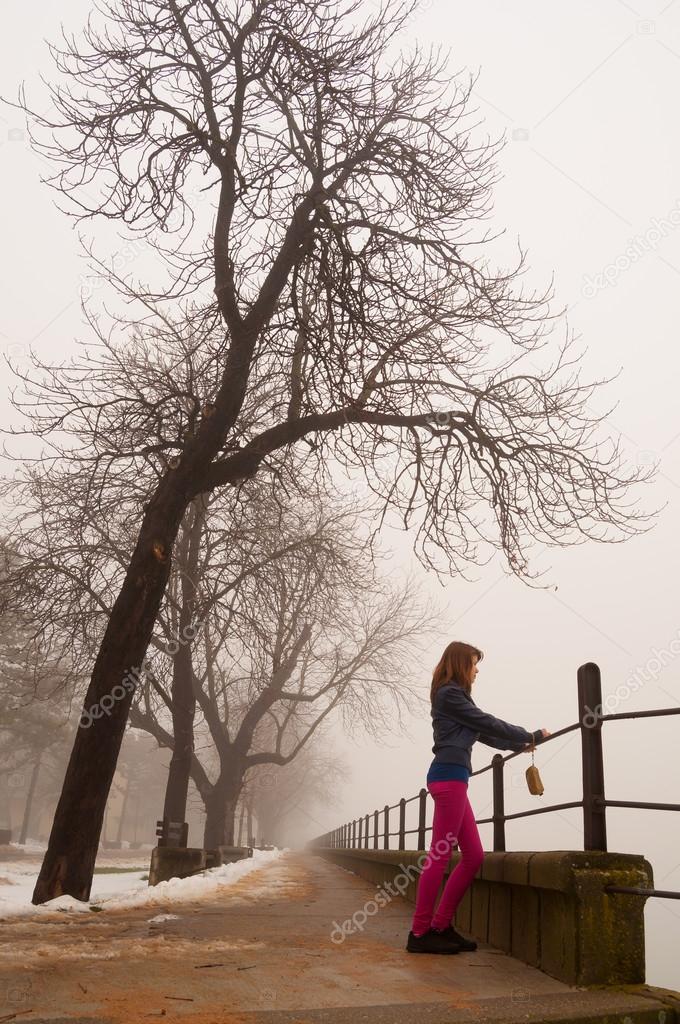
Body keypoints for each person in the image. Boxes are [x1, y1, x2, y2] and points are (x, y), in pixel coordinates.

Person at [406, 641, 551, 954]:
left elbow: (485, 733)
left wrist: (519, 746)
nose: (477, 670)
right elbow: (486, 721)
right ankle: (419, 934)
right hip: (448, 779)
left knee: (474, 856)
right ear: (460, 664)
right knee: (440, 855)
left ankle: (441, 925)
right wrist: (529, 734)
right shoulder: (449, 694)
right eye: (474, 664)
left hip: (454, 779)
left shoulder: (455, 699)